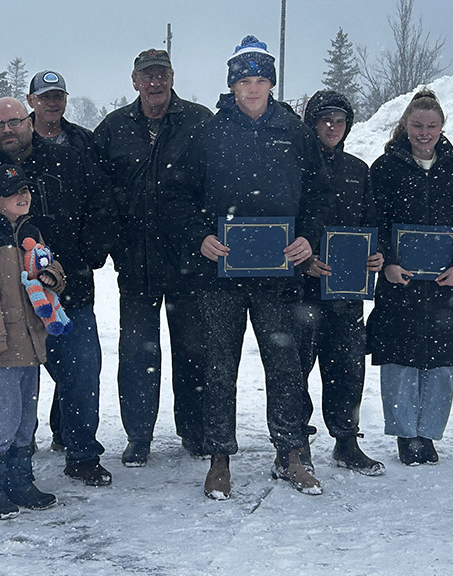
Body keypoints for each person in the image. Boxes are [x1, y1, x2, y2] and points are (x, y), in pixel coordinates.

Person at [163, 36, 331, 499]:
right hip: (222, 278)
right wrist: (200, 236)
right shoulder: (209, 133)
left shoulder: (295, 132)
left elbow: (319, 194)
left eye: (260, 81)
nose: (252, 90)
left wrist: (307, 237)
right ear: (232, 86)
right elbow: (175, 195)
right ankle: (220, 457)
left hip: (280, 277)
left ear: (272, 84)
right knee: (219, 366)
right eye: (244, 81)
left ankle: (290, 452)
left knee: (286, 365)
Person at [0, 97, 113, 487]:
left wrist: (88, 255)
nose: (7, 130)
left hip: (67, 295)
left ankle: (81, 453)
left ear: (29, 121)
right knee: (8, 393)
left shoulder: (69, 160)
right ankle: (10, 462)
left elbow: (102, 205)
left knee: (79, 377)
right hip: (5, 308)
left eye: (14, 122)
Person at [95, 48, 214, 466]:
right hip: (136, 264)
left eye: (161, 74)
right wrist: (108, 243)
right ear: (134, 81)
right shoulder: (113, 128)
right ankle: (139, 434)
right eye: (147, 75)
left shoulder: (199, 122)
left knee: (193, 351)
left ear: (172, 76)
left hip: (190, 263)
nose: (155, 82)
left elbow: (216, 186)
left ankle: (194, 431)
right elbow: (97, 193)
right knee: (138, 354)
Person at [366, 89, 453, 466]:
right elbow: (375, 220)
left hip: (442, 283)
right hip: (400, 281)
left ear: (442, 127)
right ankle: (404, 434)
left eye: (431, 125)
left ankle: (429, 433)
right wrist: (389, 262)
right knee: (401, 358)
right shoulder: (386, 168)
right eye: (417, 124)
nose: (424, 132)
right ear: (406, 125)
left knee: (440, 360)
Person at [0, 164, 65, 519]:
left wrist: (52, 276)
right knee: (2, 419)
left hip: (33, 342)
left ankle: (21, 480)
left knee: (25, 418)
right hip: (3, 344)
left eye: (26, 190)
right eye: (12, 193)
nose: (23, 197)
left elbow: (51, 266)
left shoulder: (31, 233)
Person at [297, 90, 385, 476]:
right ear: (311, 123)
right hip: (301, 289)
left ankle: (346, 440)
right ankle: (294, 443)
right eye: (324, 120)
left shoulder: (357, 170)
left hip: (346, 292)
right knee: (295, 367)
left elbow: (371, 222)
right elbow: (286, 222)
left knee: (347, 367)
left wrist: (377, 253)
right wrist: (304, 263)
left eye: (340, 120)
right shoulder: (294, 165)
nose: (332, 127)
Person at [25, 69, 96, 452]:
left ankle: (75, 440)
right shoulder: (18, 143)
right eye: (45, 96)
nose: (52, 102)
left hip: (75, 275)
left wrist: (91, 252)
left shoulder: (84, 142)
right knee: (24, 365)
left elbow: (101, 202)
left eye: (58, 96)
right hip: (24, 276)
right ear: (32, 100)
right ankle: (20, 439)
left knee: (80, 367)